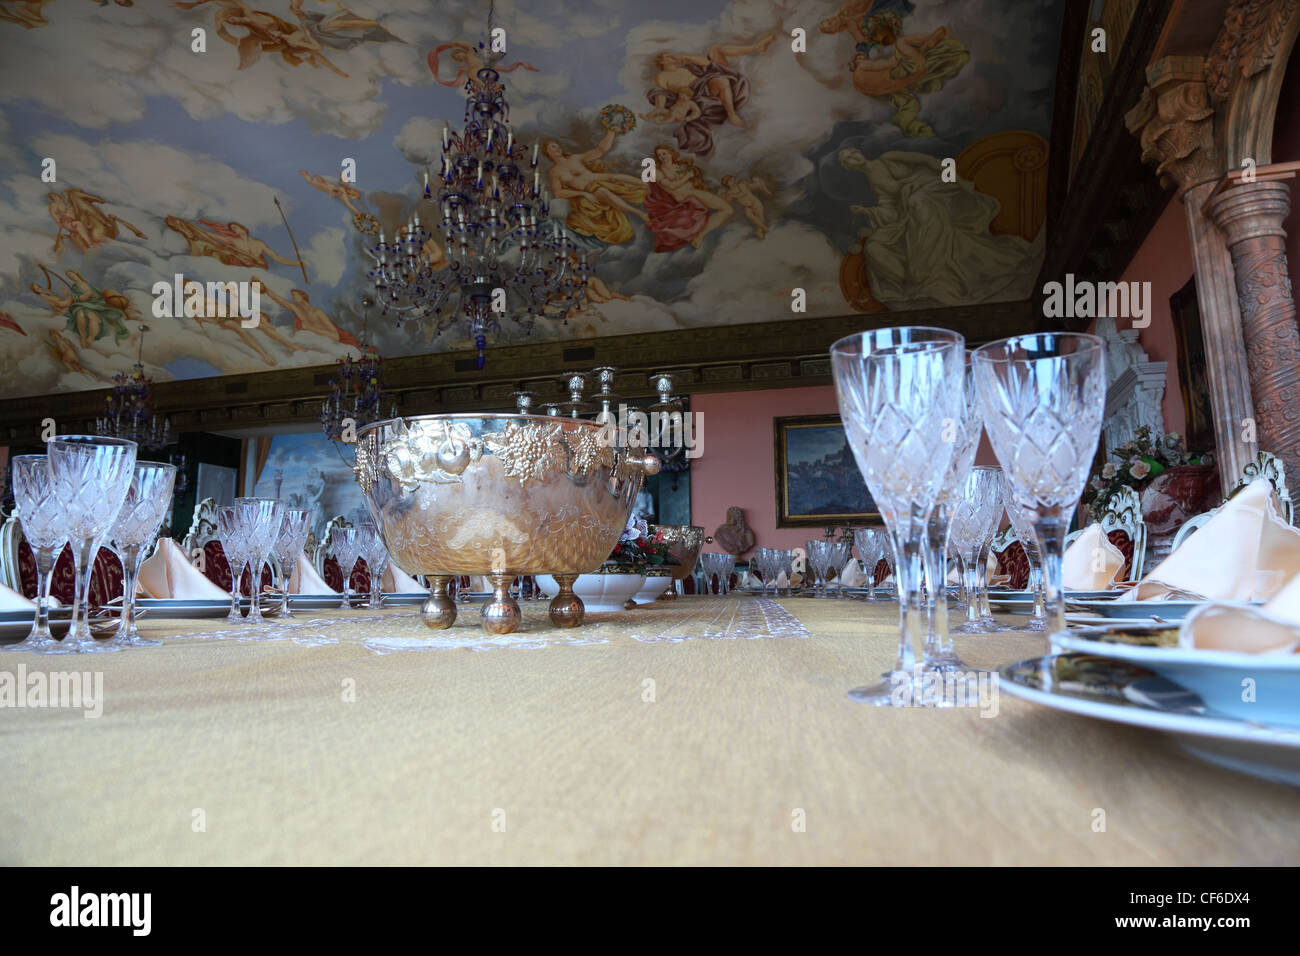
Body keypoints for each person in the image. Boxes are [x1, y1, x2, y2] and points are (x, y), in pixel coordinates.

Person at [544, 133, 648, 245]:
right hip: (588, 190)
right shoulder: (554, 172)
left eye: (557, 145)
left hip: (597, 179)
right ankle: (639, 213)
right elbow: (558, 193)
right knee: (602, 191)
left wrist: (611, 132)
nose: (558, 148)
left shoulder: (574, 158)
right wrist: (583, 194)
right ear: (547, 152)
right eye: (553, 147)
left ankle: (650, 186)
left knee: (615, 177)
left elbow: (600, 150)